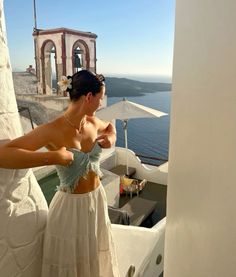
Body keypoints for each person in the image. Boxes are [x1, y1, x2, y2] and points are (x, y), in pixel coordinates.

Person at [0, 70, 120, 277]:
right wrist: (53, 157)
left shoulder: (92, 123)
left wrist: (111, 138)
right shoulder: (52, 130)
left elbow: (110, 127)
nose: (101, 104)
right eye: (99, 99)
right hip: (70, 210)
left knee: (94, 254)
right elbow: (4, 154)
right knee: (71, 264)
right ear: (89, 97)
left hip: (96, 201)